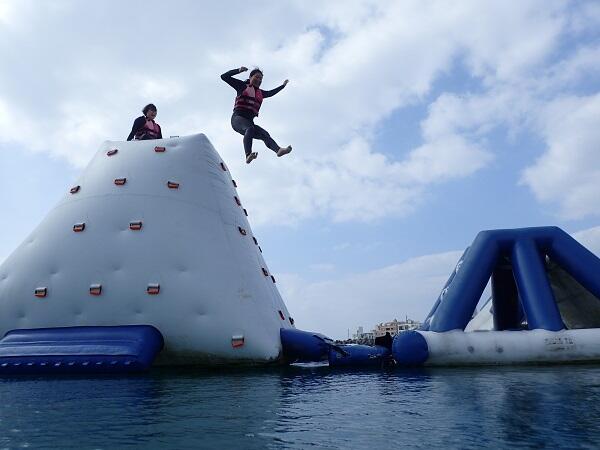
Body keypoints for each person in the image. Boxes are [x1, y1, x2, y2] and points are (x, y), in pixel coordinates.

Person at [221, 67, 292, 164]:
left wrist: (283, 86)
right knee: (249, 128)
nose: (259, 80)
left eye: (261, 79)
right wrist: (238, 70)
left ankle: (278, 150)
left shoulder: (261, 93)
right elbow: (224, 77)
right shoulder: (242, 86)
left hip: (249, 121)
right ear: (250, 77)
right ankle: (248, 155)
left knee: (265, 134)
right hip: (237, 119)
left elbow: (271, 93)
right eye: (257, 77)